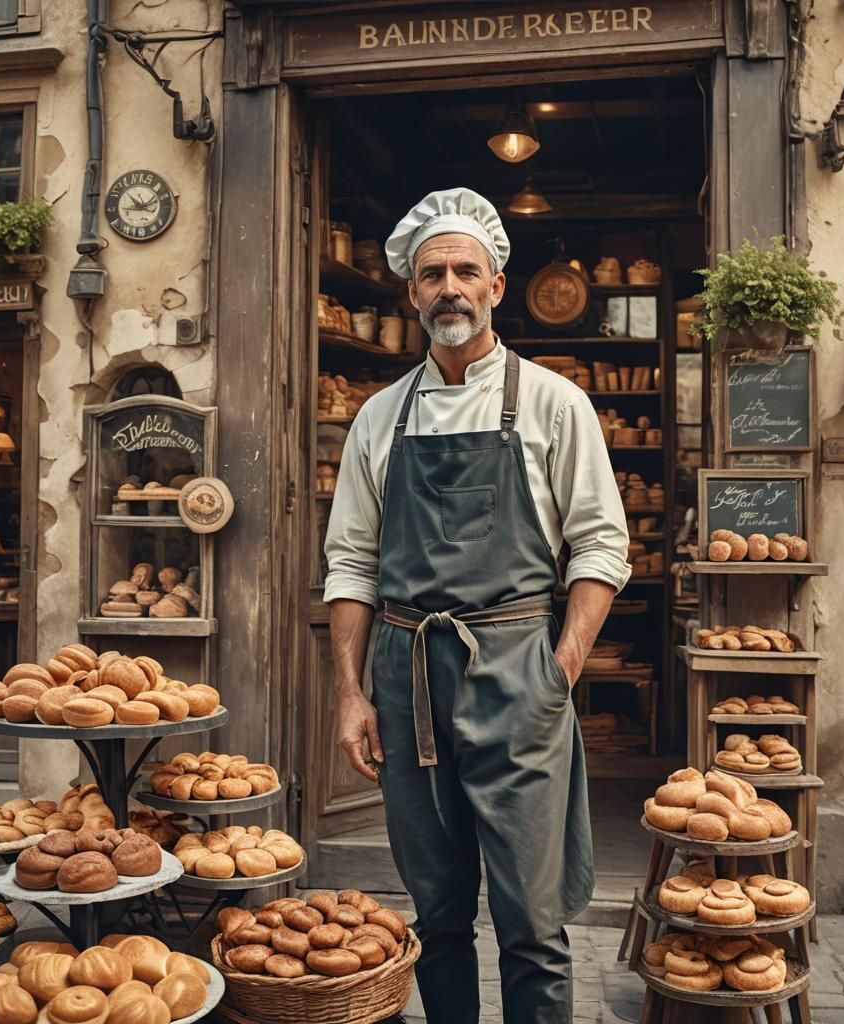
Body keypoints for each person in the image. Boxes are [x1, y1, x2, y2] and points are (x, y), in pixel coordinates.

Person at [324, 187, 631, 1023]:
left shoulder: (553, 403)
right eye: (433, 274)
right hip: (407, 676)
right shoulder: (379, 417)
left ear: (497, 285)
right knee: (438, 911)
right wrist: (352, 695)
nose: (450, 287)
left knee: (533, 921)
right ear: (412, 292)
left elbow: (602, 547)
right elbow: (350, 563)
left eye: (467, 270)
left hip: (516, 673)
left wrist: (559, 670)